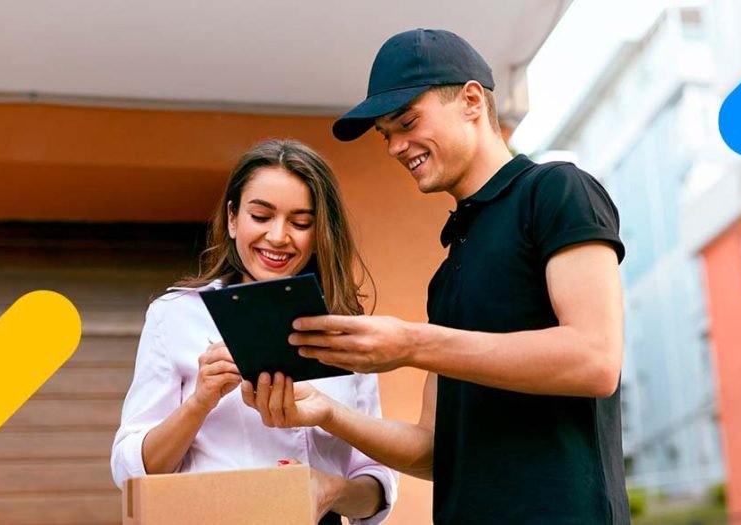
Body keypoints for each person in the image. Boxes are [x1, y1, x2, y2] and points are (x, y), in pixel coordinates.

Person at [243, 30, 630, 524]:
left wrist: (409, 344)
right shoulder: (451, 267)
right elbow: (433, 449)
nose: (395, 147)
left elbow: (596, 359)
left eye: (406, 122)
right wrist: (326, 411)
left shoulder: (557, 191)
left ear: (471, 100)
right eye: (386, 133)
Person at [111, 139, 397, 525]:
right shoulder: (175, 316)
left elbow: (377, 487)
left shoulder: (347, 332)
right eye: (261, 217)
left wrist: (331, 491)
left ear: (320, 232)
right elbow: (129, 470)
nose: (278, 237)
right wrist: (200, 400)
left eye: (300, 222)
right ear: (233, 218)